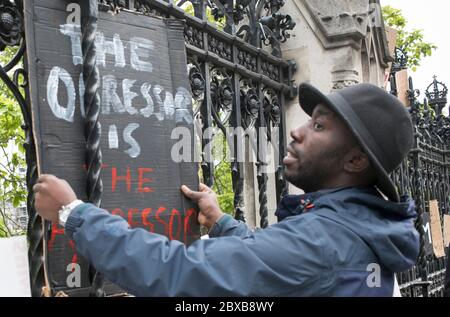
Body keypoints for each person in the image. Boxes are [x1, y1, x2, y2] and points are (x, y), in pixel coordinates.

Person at [34, 83, 419, 296]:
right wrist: (220, 221)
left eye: (319, 126)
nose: (297, 131)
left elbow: (183, 274)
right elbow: (279, 267)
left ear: (355, 162)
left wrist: (74, 214)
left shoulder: (324, 241)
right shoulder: (363, 227)